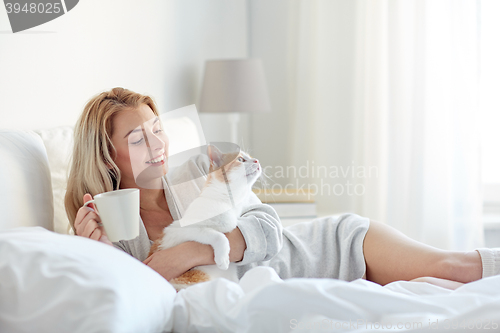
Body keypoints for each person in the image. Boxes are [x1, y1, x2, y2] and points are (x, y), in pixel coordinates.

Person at [65, 87, 499, 290]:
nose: (158, 146)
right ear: (106, 156)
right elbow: (131, 294)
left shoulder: (196, 167)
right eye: (138, 140)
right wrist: (96, 254)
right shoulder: (110, 229)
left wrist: (193, 251)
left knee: (454, 268)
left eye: (157, 130)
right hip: (296, 291)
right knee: (449, 291)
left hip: (328, 250)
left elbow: (268, 227)